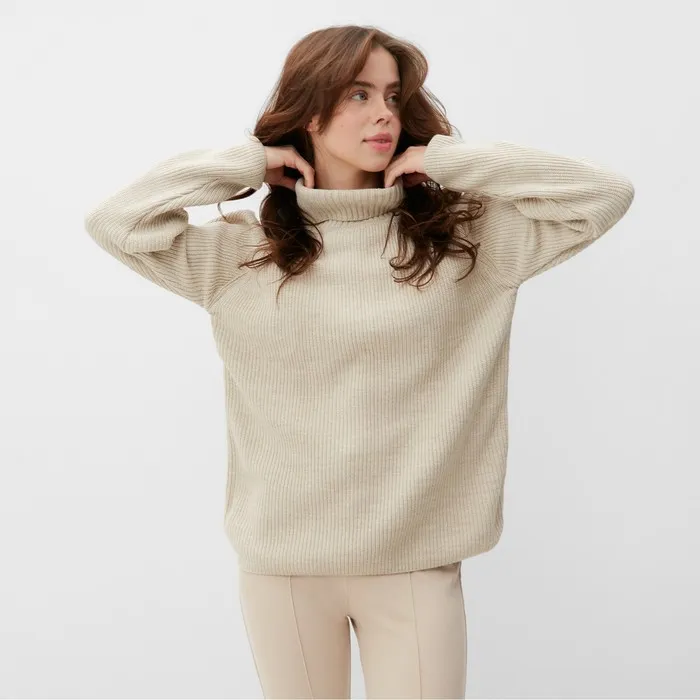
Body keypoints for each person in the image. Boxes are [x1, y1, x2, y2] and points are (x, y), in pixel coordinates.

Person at [84, 24, 634, 700]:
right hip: (284, 569)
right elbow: (116, 222)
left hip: (415, 564)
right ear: (309, 112)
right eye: (358, 94)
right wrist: (246, 163)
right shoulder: (239, 255)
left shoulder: (469, 242)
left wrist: (451, 160)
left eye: (393, 96)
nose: (384, 115)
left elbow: (604, 195)